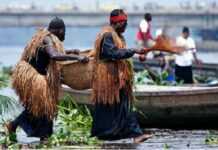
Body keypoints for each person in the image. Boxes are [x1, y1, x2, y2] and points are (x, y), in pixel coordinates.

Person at [6, 17, 88, 140]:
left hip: (31, 74)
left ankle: (16, 126)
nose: (65, 34)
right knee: (43, 107)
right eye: (64, 31)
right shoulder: (47, 39)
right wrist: (77, 58)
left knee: (37, 108)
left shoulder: (45, 37)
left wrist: (71, 51)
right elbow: (54, 55)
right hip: (32, 77)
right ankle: (36, 133)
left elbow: (50, 52)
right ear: (59, 30)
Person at [91, 9, 152, 143]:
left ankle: (105, 134)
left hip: (114, 76)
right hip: (108, 76)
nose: (126, 26)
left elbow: (119, 52)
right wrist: (133, 51)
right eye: (125, 23)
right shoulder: (107, 35)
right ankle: (134, 134)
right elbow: (113, 53)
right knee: (117, 105)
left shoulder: (116, 36)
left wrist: (134, 53)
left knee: (116, 105)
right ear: (118, 23)